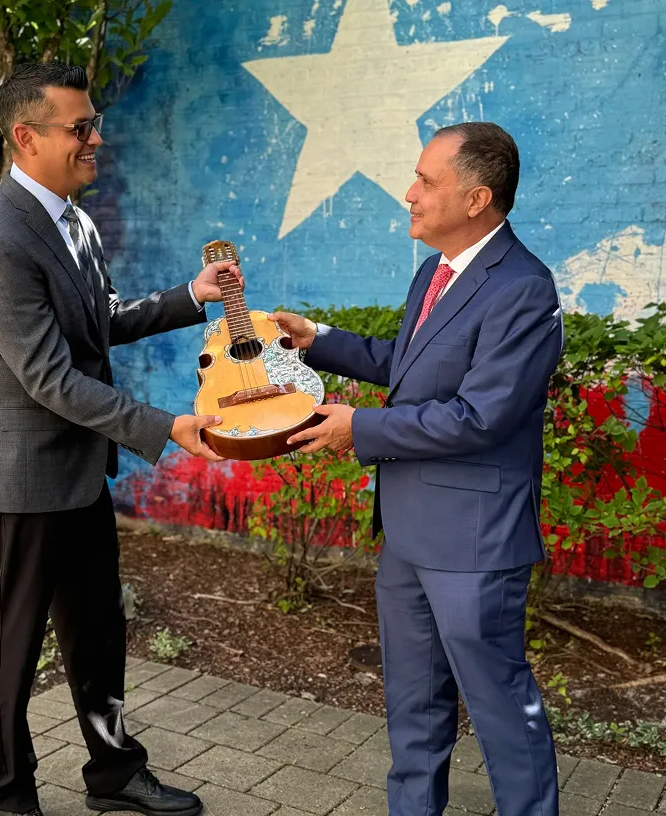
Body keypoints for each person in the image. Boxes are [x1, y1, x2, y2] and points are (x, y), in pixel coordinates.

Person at [0, 62, 240, 816]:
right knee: (13, 647)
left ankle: (114, 777)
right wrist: (165, 427)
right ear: (26, 136)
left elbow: (98, 320)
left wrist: (190, 297)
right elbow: (48, 376)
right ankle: (10, 798)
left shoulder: (70, 217)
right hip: (19, 477)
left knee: (99, 629)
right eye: (81, 127)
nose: (96, 139)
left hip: (76, 468)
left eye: (92, 124)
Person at [270, 122, 563, 815]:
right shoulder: (437, 269)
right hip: (406, 533)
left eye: (426, 182)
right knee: (412, 704)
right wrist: (320, 342)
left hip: (474, 540)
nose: (409, 193)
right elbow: (409, 369)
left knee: (500, 709)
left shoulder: (523, 289)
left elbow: (478, 416)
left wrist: (357, 429)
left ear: (476, 199)